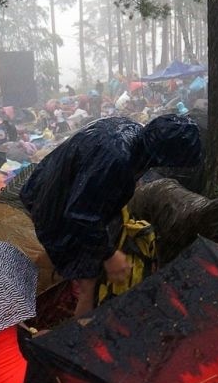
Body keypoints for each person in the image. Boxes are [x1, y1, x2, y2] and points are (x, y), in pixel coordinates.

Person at [20, 115, 201, 317]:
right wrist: (109, 255)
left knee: (66, 255)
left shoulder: (131, 130)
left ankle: (49, 277)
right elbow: (81, 215)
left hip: (46, 189)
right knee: (90, 281)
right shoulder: (116, 160)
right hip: (56, 207)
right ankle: (82, 336)